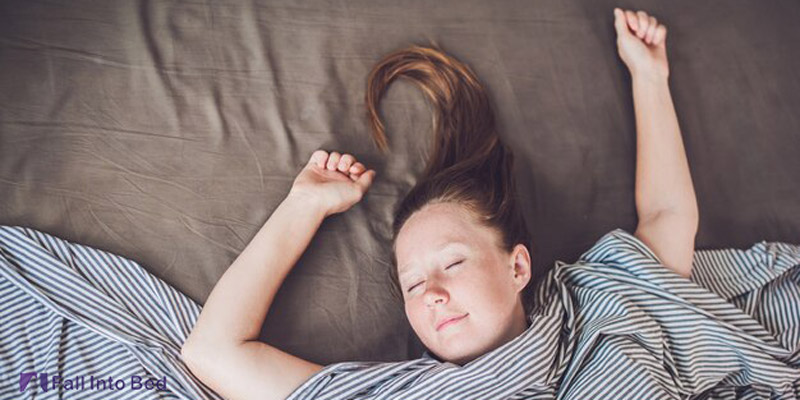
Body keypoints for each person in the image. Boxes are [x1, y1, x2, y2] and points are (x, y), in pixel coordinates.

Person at [180, 8, 800, 400]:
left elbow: (666, 216)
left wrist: (648, 76)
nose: (429, 295)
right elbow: (212, 353)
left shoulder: (607, 308)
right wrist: (301, 207)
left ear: (518, 266)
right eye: (412, 284)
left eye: (451, 263)